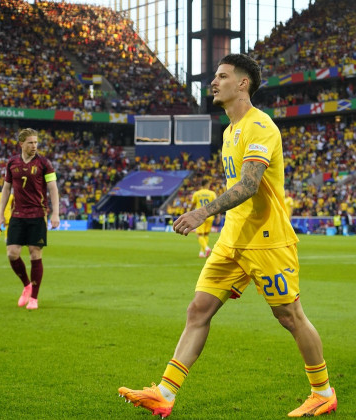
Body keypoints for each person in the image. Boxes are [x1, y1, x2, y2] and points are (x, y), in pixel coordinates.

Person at [118, 54, 337, 418]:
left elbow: (250, 184)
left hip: (267, 238)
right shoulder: (228, 131)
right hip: (232, 237)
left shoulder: (260, 126)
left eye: (221, 76)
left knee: (289, 315)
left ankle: (322, 392)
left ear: (242, 83)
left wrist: (203, 211)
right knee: (198, 309)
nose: (213, 82)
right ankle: (165, 393)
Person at [0, 128, 60, 310]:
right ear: (21, 144)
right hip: (17, 214)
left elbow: (53, 188)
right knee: (12, 253)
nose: (34, 146)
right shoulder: (12, 163)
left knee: (35, 253)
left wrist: (55, 213)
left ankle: (34, 298)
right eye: (31, 142)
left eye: (36, 142)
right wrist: (1, 214)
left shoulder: (44, 163)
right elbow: (6, 189)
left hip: (38, 215)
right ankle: (26, 285)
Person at [191, 179, 217, 258]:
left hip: (200, 216)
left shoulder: (197, 193)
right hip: (209, 216)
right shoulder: (212, 193)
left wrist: (189, 212)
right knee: (206, 234)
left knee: (199, 235)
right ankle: (202, 252)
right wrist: (218, 215)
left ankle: (206, 248)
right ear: (208, 184)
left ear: (201, 185)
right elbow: (216, 205)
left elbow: (193, 204)